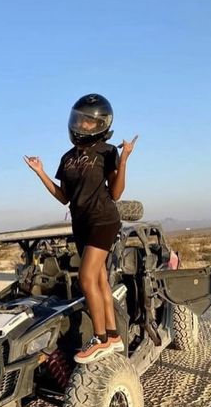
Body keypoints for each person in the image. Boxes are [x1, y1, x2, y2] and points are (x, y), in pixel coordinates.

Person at [24, 93, 138, 364]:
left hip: (103, 220)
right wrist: (40, 172)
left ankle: (99, 339)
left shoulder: (107, 152)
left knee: (85, 278)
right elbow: (63, 196)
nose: (83, 126)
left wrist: (123, 161)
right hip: (81, 223)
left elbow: (117, 193)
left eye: (89, 122)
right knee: (98, 280)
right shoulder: (67, 158)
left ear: (100, 124)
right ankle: (112, 336)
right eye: (80, 120)